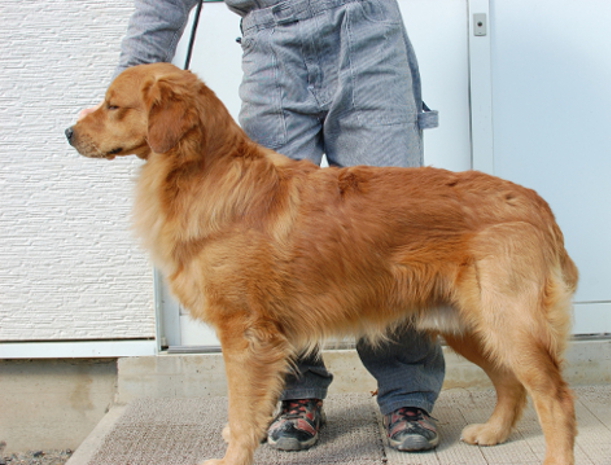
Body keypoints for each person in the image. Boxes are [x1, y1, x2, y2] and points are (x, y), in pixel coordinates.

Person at [84, 0, 445, 453]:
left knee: (389, 225)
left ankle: (406, 393)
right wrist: (126, 89)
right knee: (263, 244)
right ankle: (296, 395)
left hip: (366, 29)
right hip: (271, 39)